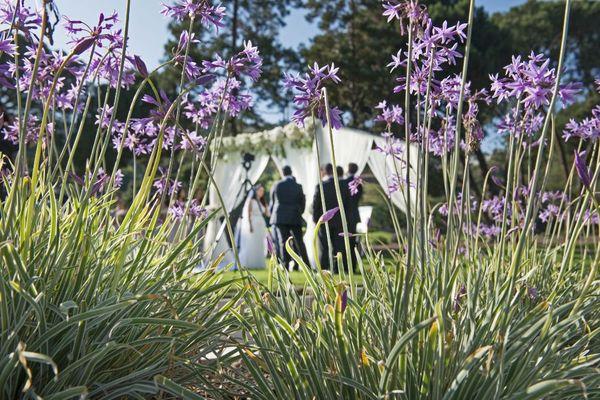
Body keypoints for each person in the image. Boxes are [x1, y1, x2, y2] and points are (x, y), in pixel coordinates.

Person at [269, 166, 310, 270]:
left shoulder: (277, 185)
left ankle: (285, 266)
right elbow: (302, 201)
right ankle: (307, 265)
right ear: (291, 172)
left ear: (282, 173)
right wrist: (300, 212)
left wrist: (272, 213)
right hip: (295, 216)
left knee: (283, 242)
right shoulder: (298, 186)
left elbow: (273, 202)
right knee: (299, 241)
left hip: (280, 216)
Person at [312, 163, 350, 272]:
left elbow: (316, 205)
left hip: (325, 222)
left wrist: (316, 220)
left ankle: (324, 268)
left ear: (325, 171)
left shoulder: (321, 185)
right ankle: (339, 268)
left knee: (324, 246)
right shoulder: (343, 185)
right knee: (339, 245)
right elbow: (348, 204)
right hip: (340, 220)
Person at [238, 184, 270, 269]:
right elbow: (248, 214)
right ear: (256, 191)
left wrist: (266, 205)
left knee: (260, 244)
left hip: (261, 224)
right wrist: (250, 225)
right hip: (254, 223)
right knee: (252, 243)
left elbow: (267, 214)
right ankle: (250, 263)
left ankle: (259, 263)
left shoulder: (262, 202)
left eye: (262, 191)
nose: (261, 192)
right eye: (260, 191)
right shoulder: (251, 201)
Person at [344, 162, 363, 267]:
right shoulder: (358, 183)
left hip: (346, 215)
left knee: (345, 240)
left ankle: (347, 264)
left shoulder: (345, 182)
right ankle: (353, 264)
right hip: (354, 215)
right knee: (353, 240)